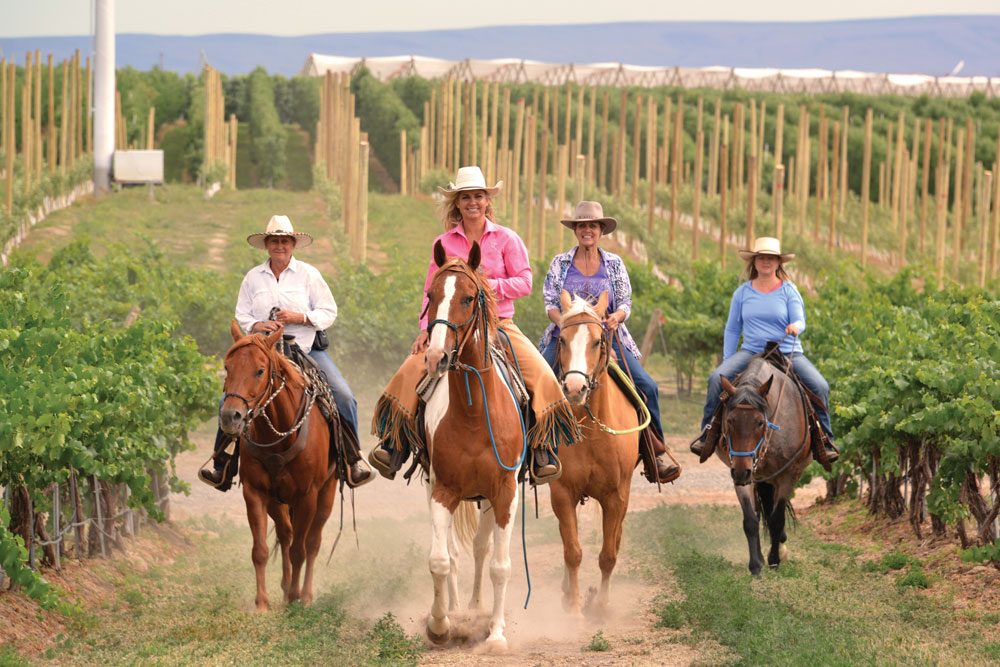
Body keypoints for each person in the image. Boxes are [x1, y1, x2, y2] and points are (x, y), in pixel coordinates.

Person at [368, 166, 580, 484]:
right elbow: (433, 290)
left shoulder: (506, 239)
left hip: (499, 324)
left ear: (486, 201)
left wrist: (484, 286)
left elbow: (524, 282)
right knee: (411, 368)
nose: (472, 202)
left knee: (541, 372)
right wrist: (426, 329)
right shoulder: (443, 243)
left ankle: (541, 449)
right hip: (451, 326)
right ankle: (394, 444)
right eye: (466, 197)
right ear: (457, 203)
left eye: (478, 196)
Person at [199, 215, 372, 489]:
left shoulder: (309, 275)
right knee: (229, 402)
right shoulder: (253, 278)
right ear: (267, 245)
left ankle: (353, 459)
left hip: (303, 351)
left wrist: (300, 317)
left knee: (343, 395)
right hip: (262, 355)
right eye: (275, 241)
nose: (280, 246)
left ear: (293, 244)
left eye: (285, 241)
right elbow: (241, 314)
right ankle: (222, 464)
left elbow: (329, 311)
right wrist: (257, 324)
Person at [538, 201, 679, 482]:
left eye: (592, 225)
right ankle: (537, 449)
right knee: (538, 383)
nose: (586, 230)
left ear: (601, 230)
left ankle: (656, 450)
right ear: (575, 230)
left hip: (607, 337)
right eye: (581, 225)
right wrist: (563, 322)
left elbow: (625, 300)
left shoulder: (614, 263)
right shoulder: (560, 263)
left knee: (647, 386)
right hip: (566, 336)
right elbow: (550, 302)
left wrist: (617, 316)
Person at [689, 237, 838, 463]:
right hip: (751, 351)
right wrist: (727, 361)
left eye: (771, 258)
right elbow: (732, 329)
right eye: (761, 258)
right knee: (714, 380)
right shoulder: (742, 293)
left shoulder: (789, 291)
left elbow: (800, 319)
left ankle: (824, 438)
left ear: (779, 262)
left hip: (787, 351)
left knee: (820, 385)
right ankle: (708, 431)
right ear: (754, 262)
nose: (766, 261)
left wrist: (795, 327)